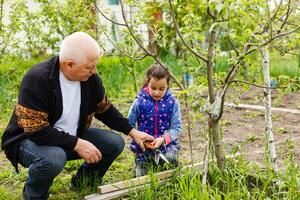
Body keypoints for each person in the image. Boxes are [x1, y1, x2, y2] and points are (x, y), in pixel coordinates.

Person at [1, 32, 154, 200]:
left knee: (113, 143)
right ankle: (34, 196)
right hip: (27, 141)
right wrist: (76, 144)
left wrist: (133, 132)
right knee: (53, 158)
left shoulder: (91, 80)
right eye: (89, 67)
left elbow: (105, 110)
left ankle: (83, 183)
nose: (94, 71)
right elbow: (36, 131)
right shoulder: (37, 79)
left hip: (70, 135)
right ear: (69, 64)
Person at [128, 64, 182, 177]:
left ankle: (163, 165)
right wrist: (139, 138)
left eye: (162, 89)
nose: (157, 92)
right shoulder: (139, 102)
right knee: (142, 177)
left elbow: (176, 128)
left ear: (168, 85)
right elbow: (128, 124)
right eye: (153, 88)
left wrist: (163, 139)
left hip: (167, 145)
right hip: (143, 146)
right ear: (147, 82)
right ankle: (144, 162)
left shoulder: (173, 103)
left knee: (171, 162)